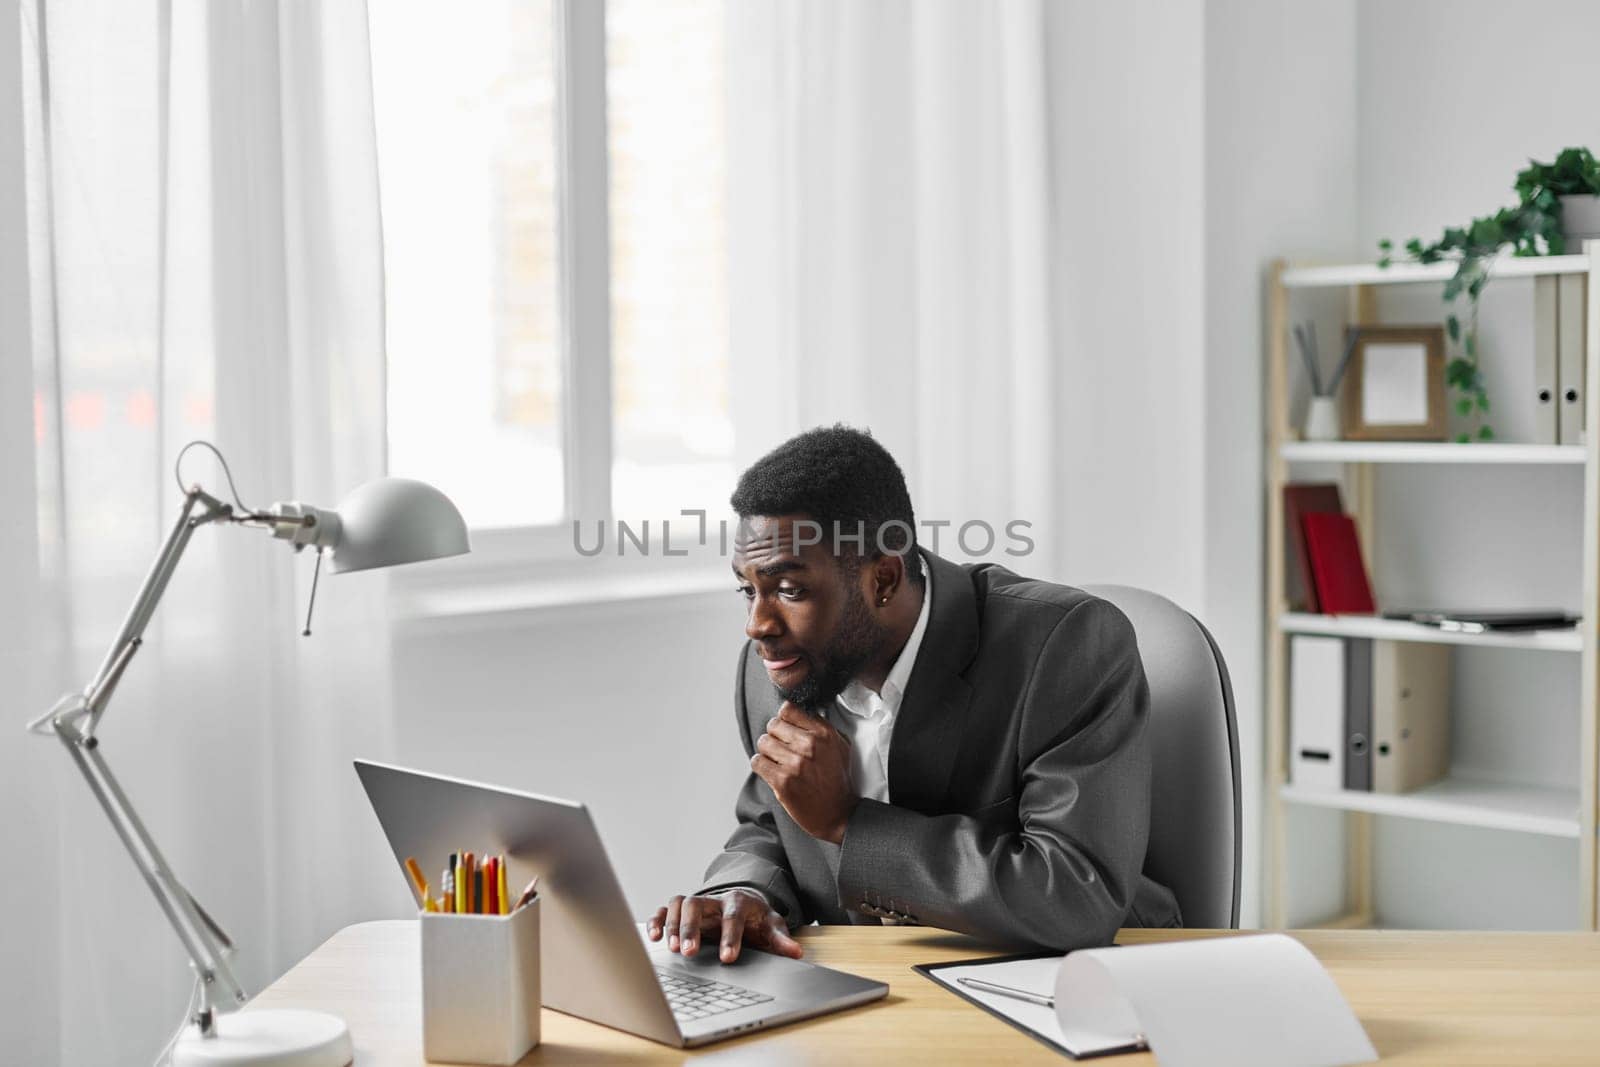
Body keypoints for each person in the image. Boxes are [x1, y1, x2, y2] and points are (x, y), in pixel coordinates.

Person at [647, 426, 1180, 965]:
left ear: (883, 578)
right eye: (748, 589)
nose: (757, 625)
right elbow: (773, 823)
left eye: (789, 590)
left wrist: (847, 824)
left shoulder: (1065, 645)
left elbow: (1075, 895)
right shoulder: (775, 668)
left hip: (1071, 982)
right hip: (873, 992)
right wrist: (742, 893)